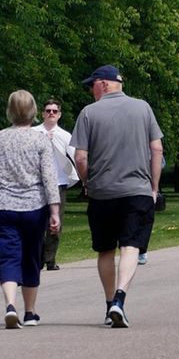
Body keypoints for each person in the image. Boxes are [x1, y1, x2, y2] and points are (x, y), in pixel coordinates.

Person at [73, 65, 164, 329]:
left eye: (92, 85)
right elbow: (156, 149)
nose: (91, 90)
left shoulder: (89, 113)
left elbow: (81, 156)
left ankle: (108, 303)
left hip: (102, 193)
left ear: (104, 84)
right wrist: (154, 186)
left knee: (104, 249)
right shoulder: (143, 108)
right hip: (137, 190)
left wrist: (87, 182)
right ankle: (120, 300)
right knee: (130, 245)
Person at [0, 90, 61, 328]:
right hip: (34, 208)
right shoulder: (40, 140)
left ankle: (10, 305)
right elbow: (49, 178)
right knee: (32, 257)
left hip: (3, 207)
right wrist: (55, 212)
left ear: (10, 111)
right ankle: (30, 312)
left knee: (8, 256)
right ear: (34, 111)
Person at [36, 99, 77, 271]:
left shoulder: (65, 135)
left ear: (59, 115)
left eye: (54, 111)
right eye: (48, 110)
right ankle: (38, 259)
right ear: (43, 113)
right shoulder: (34, 132)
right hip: (37, 184)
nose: (51, 113)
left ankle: (50, 258)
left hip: (58, 183)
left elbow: (75, 157)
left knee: (55, 224)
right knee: (37, 223)